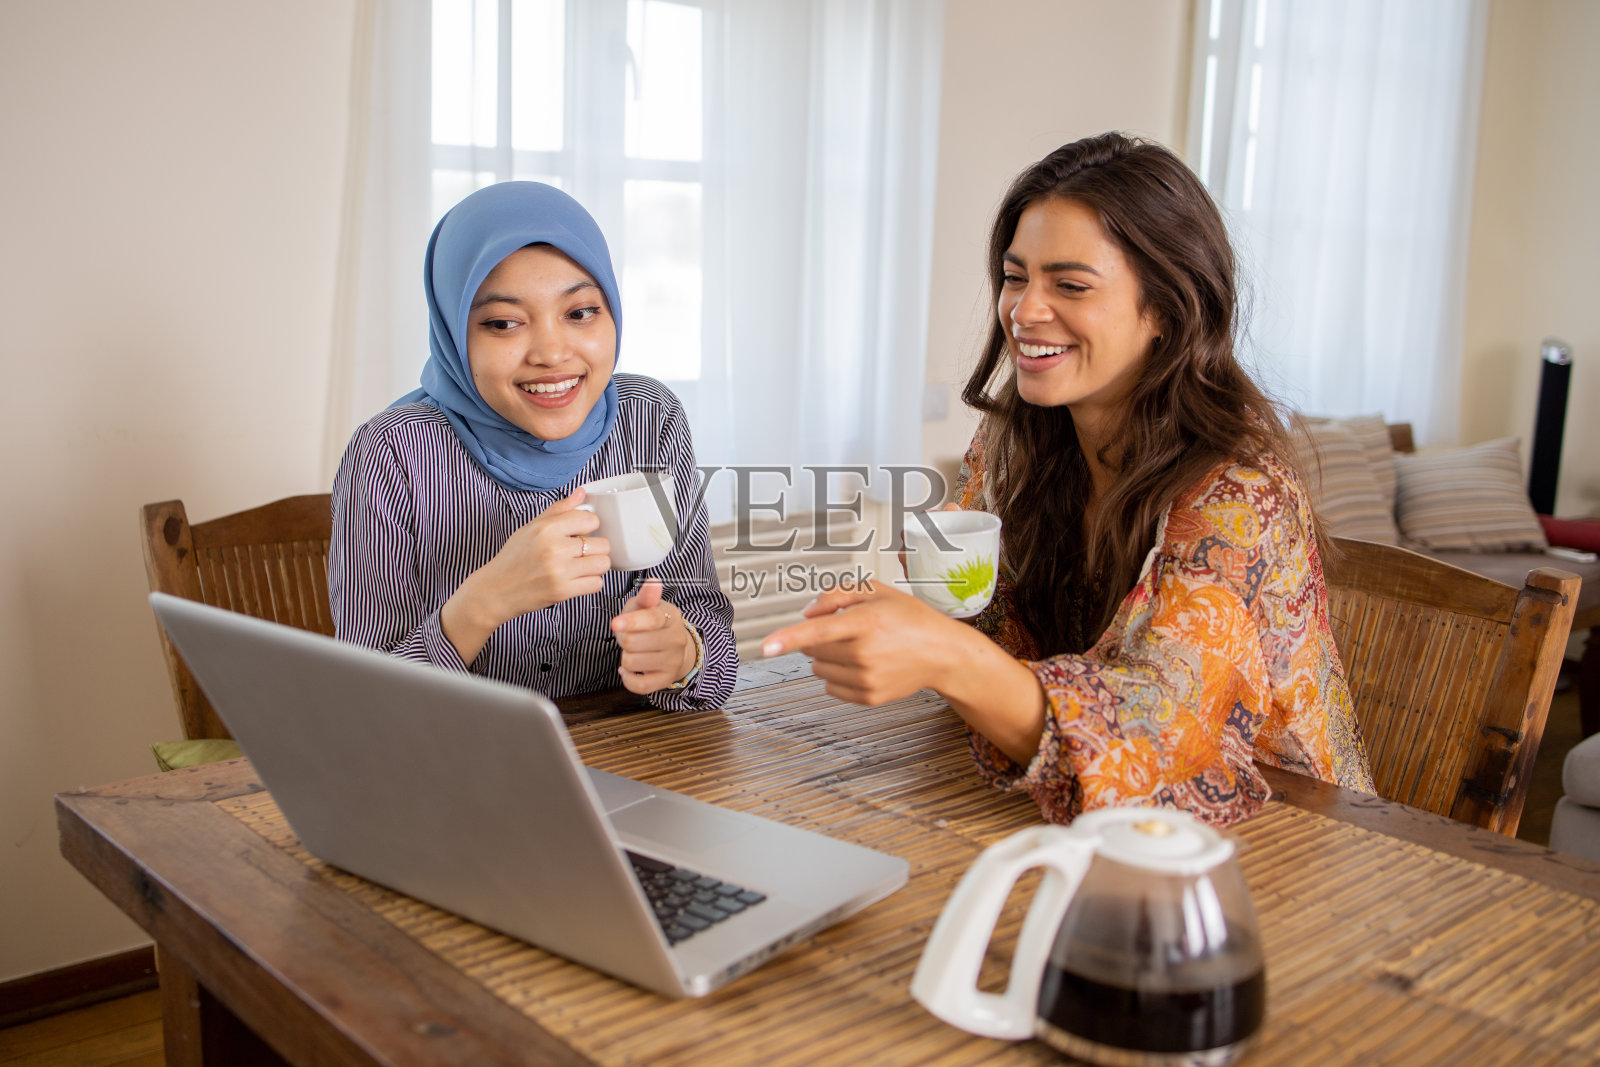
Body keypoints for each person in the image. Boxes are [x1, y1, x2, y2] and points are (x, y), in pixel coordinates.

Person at [761, 132, 1374, 827]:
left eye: (1070, 284)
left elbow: (1167, 739)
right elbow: (977, 620)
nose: (1023, 310)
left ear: (1167, 311)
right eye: (1016, 276)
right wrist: (907, 612)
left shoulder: (1240, 492)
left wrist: (946, 653)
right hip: (1073, 827)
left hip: (1286, 845)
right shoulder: (1013, 441)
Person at [331, 181, 736, 710]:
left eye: (580, 313)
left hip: (633, 754)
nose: (551, 353)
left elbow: (711, 643)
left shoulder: (649, 417)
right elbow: (367, 706)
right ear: (454, 330)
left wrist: (682, 655)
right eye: (503, 323)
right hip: (463, 762)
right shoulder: (393, 453)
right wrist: (488, 599)